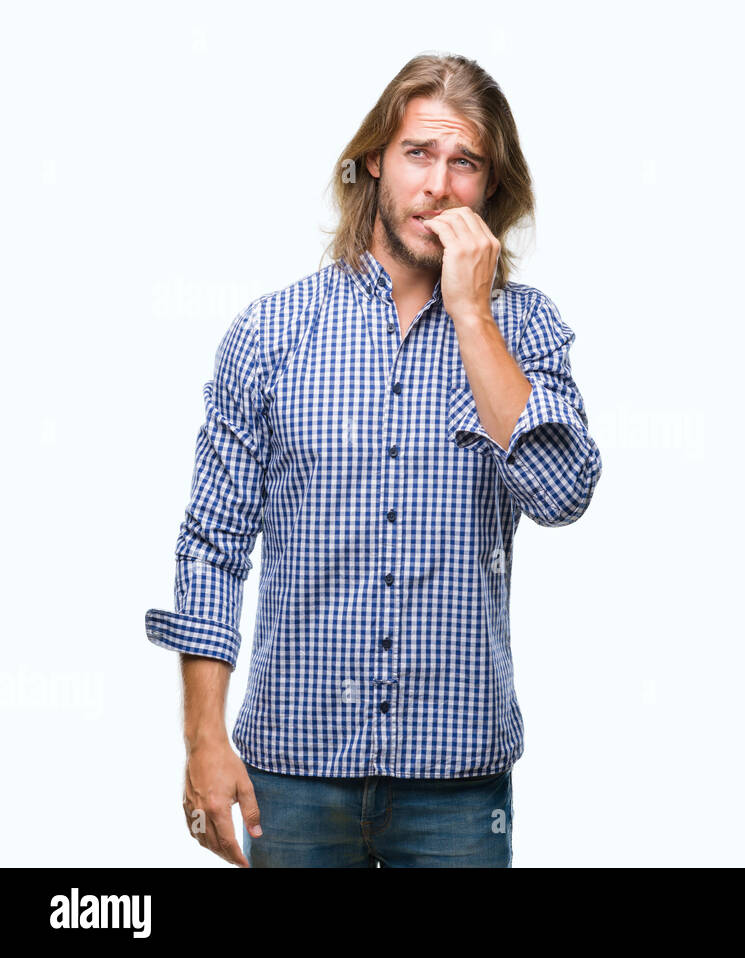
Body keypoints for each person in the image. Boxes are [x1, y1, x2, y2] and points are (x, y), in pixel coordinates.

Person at [144, 52, 603, 868]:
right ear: (372, 167)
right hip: (289, 773)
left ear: (489, 190)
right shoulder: (271, 333)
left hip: (457, 784)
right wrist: (202, 742)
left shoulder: (523, 331)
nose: (438, 183)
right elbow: (212, 545)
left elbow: (563, 493)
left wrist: (471, 317)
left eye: (465, 162)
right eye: (418, 154)